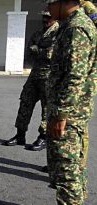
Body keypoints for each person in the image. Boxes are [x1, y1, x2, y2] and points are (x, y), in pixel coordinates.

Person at [45, 0, 96, 204]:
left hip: (69, 115)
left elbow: (75, 76)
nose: (47, 8)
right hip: (73, 111)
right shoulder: (71, 25)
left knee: (67, 173)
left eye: (50, 3)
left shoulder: (77, 28)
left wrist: (60, 114)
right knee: (74, 167)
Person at [2, 11, 59, 151]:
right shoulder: (38, 34)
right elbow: (28, 52)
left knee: (46, 109)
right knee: (25, 103)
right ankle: (20, 135)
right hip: (34, 75)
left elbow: (53, 54)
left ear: (54, 18)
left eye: (48, 17)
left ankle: (43, 137)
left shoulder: (59, 34)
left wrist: (38, 50)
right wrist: (41, 51)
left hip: (49, 77)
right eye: (43, 17)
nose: (45, 20)